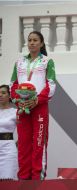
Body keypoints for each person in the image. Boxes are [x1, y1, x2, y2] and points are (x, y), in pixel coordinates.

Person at [10, 31, 56, 180]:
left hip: (39, 108)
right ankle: (23, 178)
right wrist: (18, 100)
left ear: (41, 43)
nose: (32, 43)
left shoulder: (47, 61)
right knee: (23, 144)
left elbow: (51, 85)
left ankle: (37, 179)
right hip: (22, 107)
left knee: (38, 144)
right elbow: (13, 84)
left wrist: (36, 100)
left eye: (35, 40)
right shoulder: (19, 62)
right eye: (29, 40)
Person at [0, 85, 18, 180]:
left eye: (3, 93)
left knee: (8, 182)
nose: (0, 95)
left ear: (9, 96)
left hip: (8, 151)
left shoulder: (15, 112)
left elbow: (25, 132)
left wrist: (18, 144)